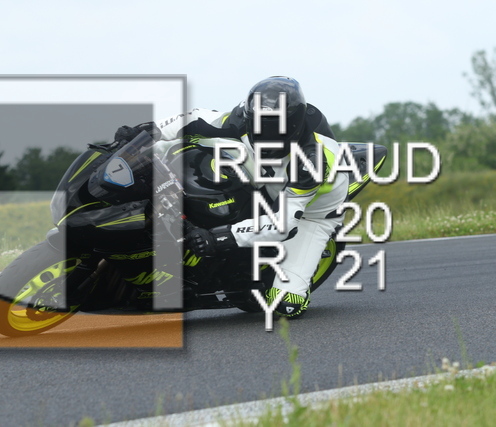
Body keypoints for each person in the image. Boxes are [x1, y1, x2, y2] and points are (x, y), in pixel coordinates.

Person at [114, 76, 348, 318]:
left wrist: (218, 238)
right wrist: (146, 131)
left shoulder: (312, 161)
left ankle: (295, 276)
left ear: (294, 124)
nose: (265, 134)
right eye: (259, 125)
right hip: (267, 174)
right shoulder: (243, 118)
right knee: (189, 146)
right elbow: (197, 117)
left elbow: (284, 224)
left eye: (274, 128)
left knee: (286, 305)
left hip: (311, 213)